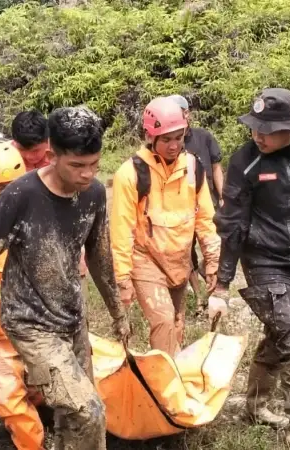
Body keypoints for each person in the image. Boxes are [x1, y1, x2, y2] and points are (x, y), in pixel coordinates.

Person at [0, 106, 130, 450]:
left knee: (73, 415)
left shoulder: (93, 194)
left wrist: (118, 313)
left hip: (72, 319)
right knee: (88, 411)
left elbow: (99, 255)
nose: (87, 174)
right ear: (52, 156)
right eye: (77, 166)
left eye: (94, 164)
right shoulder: (20, 196)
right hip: (29, 324)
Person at [213, 88, 290, 448]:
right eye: (256, 129)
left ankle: (253, 406)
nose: (259, 136)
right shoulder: (245, 162)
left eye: (268, 131)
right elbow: (232, 223)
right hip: (264, 262)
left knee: (280, 335)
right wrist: (222, 285)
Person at [110, 96, 220, 356]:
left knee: (176, 323)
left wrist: (213, 262)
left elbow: (205, 219)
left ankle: (169, 373)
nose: (173, 145)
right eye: (166, 139)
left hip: (179, 259)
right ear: (151, 137)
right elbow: (121, 230)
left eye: (178, 137)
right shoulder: (131, 174)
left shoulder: (193, 167)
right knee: (163, 319)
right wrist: (122, 277)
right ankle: (166, 389)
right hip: (145, 259)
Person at [0, 141, 44, 450]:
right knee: (12, 406)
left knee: (48, 391)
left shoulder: (38, 212)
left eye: (12, 187)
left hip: (34, 327)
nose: (6, 195)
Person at [11, 110, 90, 301]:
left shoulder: (65, 159)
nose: (30, 157)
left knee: (75, 311)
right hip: (23, 255)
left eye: (36, 151)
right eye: (23, 150)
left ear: (48, 141)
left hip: (65, 244)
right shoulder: (4, 162)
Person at [167, 94, 224, 311]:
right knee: (185, 251)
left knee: (218, 244)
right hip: (182, 208)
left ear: (186, 114)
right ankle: (199, 297)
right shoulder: (166, 141)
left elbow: (217, 166)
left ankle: (208, 273)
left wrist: (222, 195)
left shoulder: (203, 137)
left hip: (207, 202)